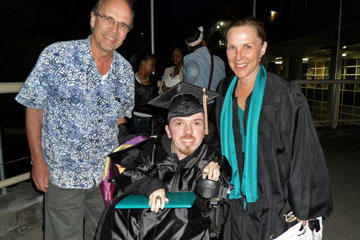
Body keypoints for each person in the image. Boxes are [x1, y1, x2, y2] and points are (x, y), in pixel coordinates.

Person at [14, 0, 134, 239]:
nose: (114, 29)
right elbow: (33, 108)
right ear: (93, 19)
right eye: (108, 19)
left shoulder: (125, 71)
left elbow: (120, 117)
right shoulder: (56, 56)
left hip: (104, 179)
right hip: (62, 175)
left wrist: (130, 146)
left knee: (103, 235)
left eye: (122, 25)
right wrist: (37, 161)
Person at [214, 17, 333, 239]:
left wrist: (303, 208)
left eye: (247, 47)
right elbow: (218, 143)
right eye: (232, 47)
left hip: (276, 207)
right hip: (235, 205)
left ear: (263, 48)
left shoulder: (283, 93)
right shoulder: (223, 92)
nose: (238, 56)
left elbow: (302, 152)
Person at [99, 82, 232, 240]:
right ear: (168, 131)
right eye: (179, 123)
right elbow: (126, 179)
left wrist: (215, 175)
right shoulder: (151, 152)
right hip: (141, 232)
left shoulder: (211, 158)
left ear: (204, 129)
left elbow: (225, 182)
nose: (188, 132)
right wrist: (150, 186)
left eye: (196, 123)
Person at [183, 26, 226, 95]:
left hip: (199, 103)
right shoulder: (219, 61)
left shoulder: (190, 58)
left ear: (188, 47)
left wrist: (184, 86)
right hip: (216, 103)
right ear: (203, 42)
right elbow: (223, 84)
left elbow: (193, 72)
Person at [129, 49, 159, 135]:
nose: (153, 69)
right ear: (143, 63)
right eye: (152, 65)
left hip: (152, 121)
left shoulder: (153, 80)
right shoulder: (132, 80)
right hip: (137, 120)